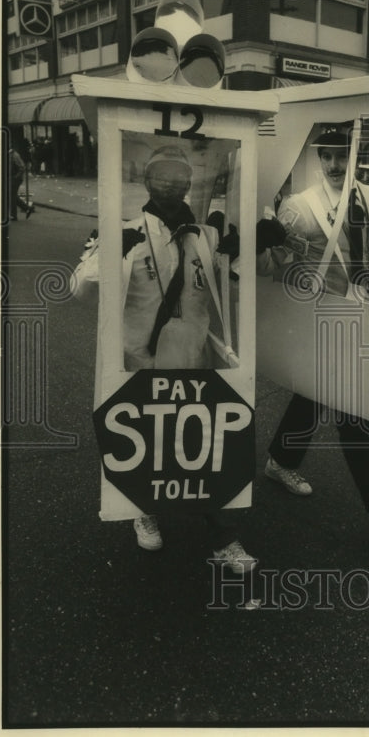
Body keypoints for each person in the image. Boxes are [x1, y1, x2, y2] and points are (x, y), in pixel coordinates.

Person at [72, 144, 259, 573]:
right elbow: (76, 287)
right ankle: (146, 509)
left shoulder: (203, 237)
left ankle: (223, 539)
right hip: (140, 365)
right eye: (163, 177)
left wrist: (247, 245)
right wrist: (111, 251)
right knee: (148, 447)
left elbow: (227, 282)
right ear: (147, 181)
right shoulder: (124, 230)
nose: (172, 185)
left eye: (180, 177)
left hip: (192, 364)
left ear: (191, 183)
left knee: (200, 450)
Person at [262, 125, 369, 550]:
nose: (334, 165)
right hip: (319, 322)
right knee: (353, 415)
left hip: (360, 316)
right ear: (317, 159)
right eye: (326, 156)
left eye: (341, 155)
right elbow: (273, 271)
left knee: (314, 398)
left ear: (352, 156)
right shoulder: (298, 207)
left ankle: (280, 460)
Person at [8, 146, 34, 220]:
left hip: (16, 179)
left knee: (11, 196)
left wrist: (16, 177)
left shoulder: (14, 155)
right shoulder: (9, 154)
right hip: (12, 178)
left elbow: (22, 167)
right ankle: (27, 209)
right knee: (12, 196)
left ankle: (14, 215)